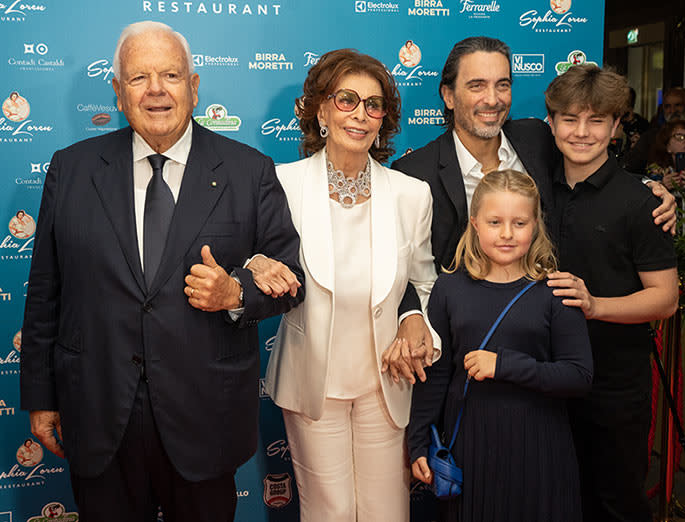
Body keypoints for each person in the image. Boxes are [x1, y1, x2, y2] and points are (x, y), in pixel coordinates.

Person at [20, 21, 304, 522]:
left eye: (171, 75)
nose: (156, 90)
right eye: (138, 78)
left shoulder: (249, 170)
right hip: (97, 410)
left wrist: (235, 293)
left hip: (204, 418)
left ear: (194, 87)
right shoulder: (71, 169)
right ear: (118, 90)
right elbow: (46, 291)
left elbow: (288, 280)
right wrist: (40, 397)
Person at [389, 36, 676, 377]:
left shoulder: (537, 140)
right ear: (449, 96)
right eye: (477, 85)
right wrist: (411, 315)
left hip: (550, 358)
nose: (492, 99)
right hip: (457, 360)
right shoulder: (412, 174)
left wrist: (647, 187)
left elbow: (589, 161)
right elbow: (400, 268)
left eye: (503, 85)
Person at [263, 49, 440, 522]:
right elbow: (262, 265)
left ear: (384, 119)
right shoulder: (281, 185)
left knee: (388, 512)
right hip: (311, 382)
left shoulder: (410, 195)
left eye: (374, 105)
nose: (361, 114)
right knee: (330, 512)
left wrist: (413, 318)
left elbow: (423, 281)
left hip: (387, 381)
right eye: (346, 100)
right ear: (320, 109)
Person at [408, 169, 593, 522]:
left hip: (541, 451)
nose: (507, 234)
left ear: (536, 225)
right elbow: (437, 376)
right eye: (495, 222)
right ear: (475, 223)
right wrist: (418, 440)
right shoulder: (450, 289)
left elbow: (579, 375)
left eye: (519, 223)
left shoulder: (556, 290)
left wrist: (505, 366)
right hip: (471, 450)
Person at [544, 64, 679, 522]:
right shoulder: (535, 190)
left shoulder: (642, 202)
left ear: (617, 126)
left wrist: (595, 305)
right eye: (569, 119)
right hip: (544, 384)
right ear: (551, 122)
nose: (581, 132)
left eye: (597, 120)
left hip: (613, 389)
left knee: (615, 505)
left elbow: (665, 298)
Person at [624, 86, 685, 174]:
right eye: (667, 106)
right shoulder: (650, 138)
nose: (672, 110)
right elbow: (630, 170)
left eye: (678, 105)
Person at [647, 119, 685, 191]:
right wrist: (662, 185)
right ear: (667, 146)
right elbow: (645, 191)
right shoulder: (656, 169)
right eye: (680, 137)